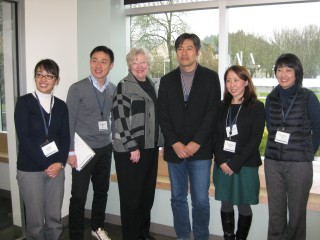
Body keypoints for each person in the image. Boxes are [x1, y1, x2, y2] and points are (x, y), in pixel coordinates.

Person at [158, 33, 221, 240]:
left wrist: (196, 142)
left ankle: (201, 237)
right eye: (180, 48)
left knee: (201, 200)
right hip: (175, 151)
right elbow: (163, 115)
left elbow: (213, 113)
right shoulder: (166, 81)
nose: (184, 53)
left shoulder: (211, 77)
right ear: (176, 52)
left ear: (197, 51)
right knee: (177, 199)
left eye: (189, 48)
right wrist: (174, 143)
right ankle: (183, 237)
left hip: (200, 151)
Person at [264, 53, 320, 240]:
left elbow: (318, 127)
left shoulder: (308, 97)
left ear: (297, 72)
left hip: (299, 165)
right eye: (279, 70)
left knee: (296, 216)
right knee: (276, 215)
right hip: (273, 164)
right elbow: (271, 127)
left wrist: (308, 152)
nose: (283, 74)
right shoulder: (271, 98)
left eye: (288, 69)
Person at [14, 59, 70, 240]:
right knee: (35, 221)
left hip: (56, 168)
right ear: (35, 78)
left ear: (57, 80)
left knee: (54, 217)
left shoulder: (61, 106)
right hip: (30, 169)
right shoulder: (24, 103)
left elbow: (65, 138)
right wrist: (49, 163)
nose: (43, 79)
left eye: (49, 75)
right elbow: (24, 138)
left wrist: (60, 163)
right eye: (39, 75)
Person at [67, 46, 116, 240]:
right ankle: (75, 235)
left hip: (105, 149)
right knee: (78, 196)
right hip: (82, 150)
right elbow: (69, 122)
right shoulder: (77, 88)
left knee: (101, 192)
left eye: (103, 62)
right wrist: (70, 151)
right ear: (90, 62)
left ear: (111, 65)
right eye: (94, 60)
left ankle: (97, 227)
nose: (98, 65)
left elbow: (113, 118)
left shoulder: (113, 89)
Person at [112, 47, 162, 240]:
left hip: (150, 147)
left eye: (143, 62)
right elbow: (120, 118)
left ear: (149, 65)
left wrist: (161, 141)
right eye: (135, 62)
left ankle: (143, 233)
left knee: (146, 195)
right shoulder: (124, 86)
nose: (139, 66)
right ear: (129, 65)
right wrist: (132, 145)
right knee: (131, 199)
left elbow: (157, 117)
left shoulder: (152, 84)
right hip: (130, 151)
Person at [212, 65, 265, 240]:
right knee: (225, 203)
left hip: (245, 165)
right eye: (228, 80)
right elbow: (215, 137)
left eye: (236, 80)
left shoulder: (257, 107)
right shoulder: (221, 106)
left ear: (246, 82)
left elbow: (255, 140)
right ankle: (228, 237)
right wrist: (221, 161)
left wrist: (234, 163)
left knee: (243, 205)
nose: (232, 84)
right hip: (222, 164)